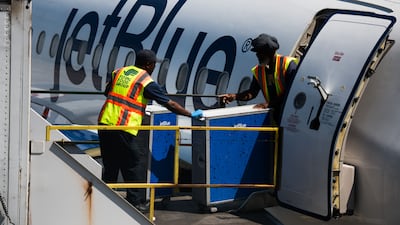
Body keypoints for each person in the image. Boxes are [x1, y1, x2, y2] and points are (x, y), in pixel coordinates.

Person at [97, 49, 203, 213]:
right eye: (154, 64)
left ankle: (103, 200)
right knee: (133, 164)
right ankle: (136, 203)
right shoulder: (145, 81)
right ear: (148, 65)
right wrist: (190, 114)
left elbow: (107, 92)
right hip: (124, 126)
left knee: (110, 165)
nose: (154, 67)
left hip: (105, 122)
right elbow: (169, 104)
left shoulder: (119, 72)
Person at [220, 33, 298, 125]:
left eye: (260, 53)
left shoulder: (288, 65)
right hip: (274, 116)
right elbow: (252, 93)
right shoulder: (259, 71)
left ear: (269, 53)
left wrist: (268, 105)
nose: (257, 55)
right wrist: (234, 96)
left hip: (288, 116)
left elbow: (291, 93)